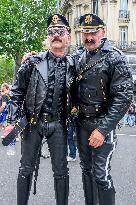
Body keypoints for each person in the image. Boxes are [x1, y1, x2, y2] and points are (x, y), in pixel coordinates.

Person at [5, 14, 75, 205]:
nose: (56, 35)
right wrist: (11, 121)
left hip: (59, 124)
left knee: (61, 171)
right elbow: (16, 92)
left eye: (60, 31)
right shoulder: (32, 62)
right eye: (51, 32)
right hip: (32, 123)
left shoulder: (74, 65)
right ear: (48, 37)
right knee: (25, 168)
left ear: (68, 36)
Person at [72, 14, 133, 205]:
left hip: (102, 124)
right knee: (86, 170)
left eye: (93, 32)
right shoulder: (79, 56)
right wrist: (35, 56)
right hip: (82, 123)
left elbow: (123, 97)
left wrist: (102, 130)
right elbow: (59, 59)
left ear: (103, 32)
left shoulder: (115, 57)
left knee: (100, 173)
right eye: (85, 33)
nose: (89, 37)